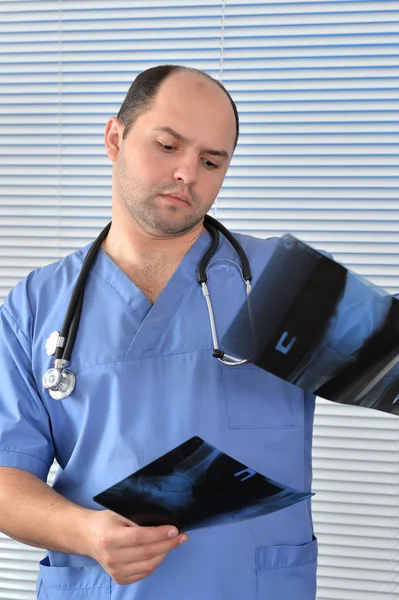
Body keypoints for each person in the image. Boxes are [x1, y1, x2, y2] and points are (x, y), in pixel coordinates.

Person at [0, 65, 318, 599]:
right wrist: (87, 533)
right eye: (167, 146)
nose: (187, 174)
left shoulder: (285, 284)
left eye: (211, 161)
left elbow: (384, 353)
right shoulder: (34, 306)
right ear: (115, 137)